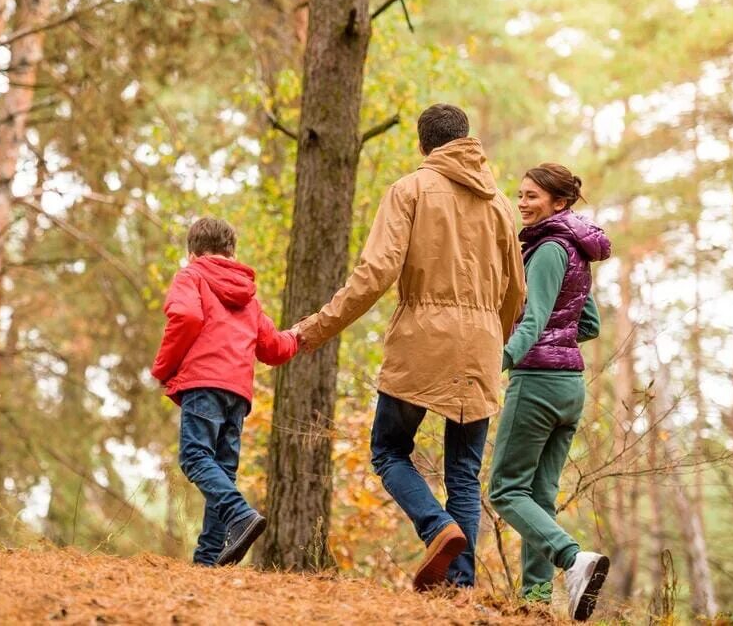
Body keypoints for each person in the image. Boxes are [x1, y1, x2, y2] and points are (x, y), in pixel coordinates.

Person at [294, 104, 526, 590]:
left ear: (424, 146)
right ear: (467, 140)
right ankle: (458, 588)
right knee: (463, 472)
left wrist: (316, 328)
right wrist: (493, 340)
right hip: (482, 347)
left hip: (423, 340)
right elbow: (516, 294)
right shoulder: (502, 204)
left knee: (388, 449)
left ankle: (436, 526)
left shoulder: (410, 190)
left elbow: (375, 274)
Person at [487, 163, 611, 622]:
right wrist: (558, 341)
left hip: (537, 383)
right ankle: (536, 602)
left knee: (504, 489)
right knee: (538, 496)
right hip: (570, 388)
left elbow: (534, 318)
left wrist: (499, 359)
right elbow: (590, 324)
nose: (522, 203)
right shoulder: (576, 251)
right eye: (519, 195)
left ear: (560, 203)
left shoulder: (546, 249)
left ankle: (572, 558)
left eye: (532, 196)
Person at [151, 217, 298, 567]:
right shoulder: (248, 294)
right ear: (232, 251)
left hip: (204, 383)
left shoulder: (191, 276)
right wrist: (298, 336)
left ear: (192, 253)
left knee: (195, 458)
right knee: (222, 471)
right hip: (237, 394)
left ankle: (240, 514)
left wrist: (162, 368)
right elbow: (272, 347)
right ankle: (209, 561)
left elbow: (185, 317)